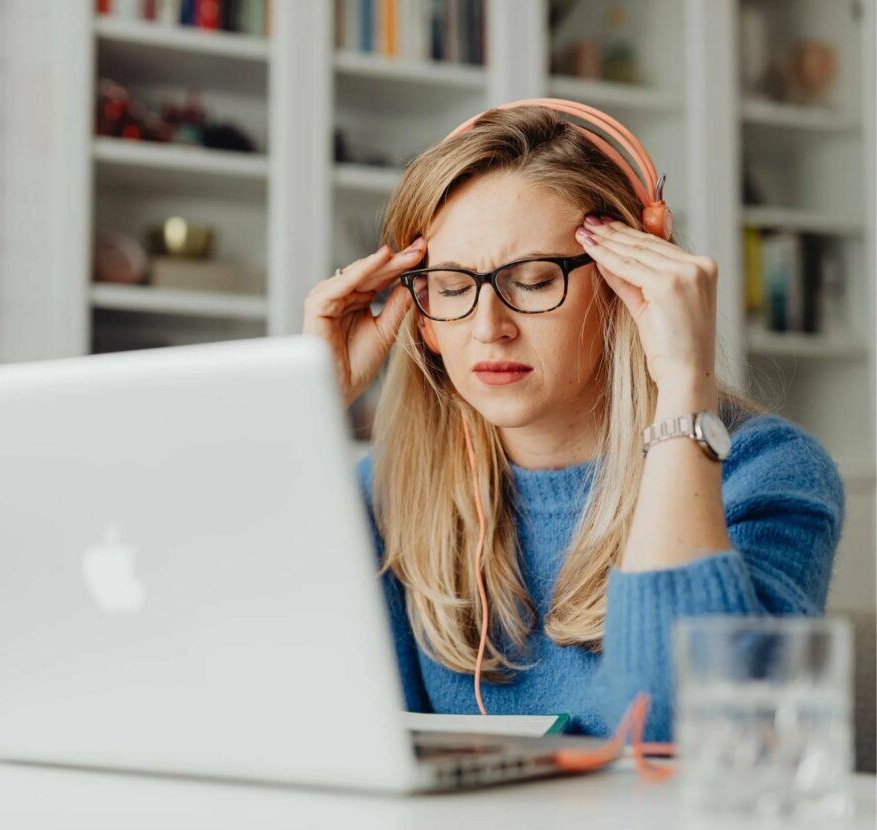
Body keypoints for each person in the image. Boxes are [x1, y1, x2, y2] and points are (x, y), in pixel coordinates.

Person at [302, 101, 845, 740]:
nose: (488, 328)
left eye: (532, 282)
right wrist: (306, 408)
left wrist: (681, 390)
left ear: (628, 283)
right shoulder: (389, 491)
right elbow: (307, 715)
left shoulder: (766, 473)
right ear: (420, 314)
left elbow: (677, 733)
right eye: (451, 289)